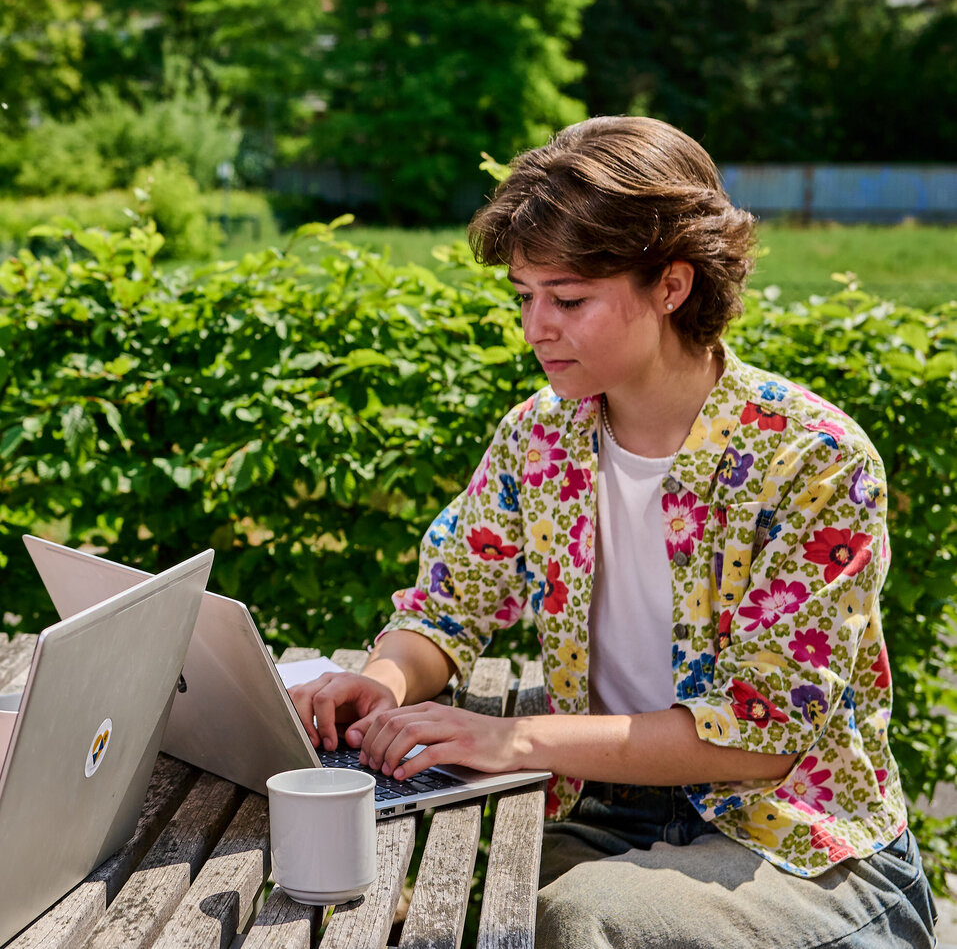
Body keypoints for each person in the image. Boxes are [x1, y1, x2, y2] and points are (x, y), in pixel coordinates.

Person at [288, 116, 937, 947]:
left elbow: (761, 735)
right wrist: (382, 679)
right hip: (599, 812)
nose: (534, 329)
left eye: (567, 299)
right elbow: (447, 606)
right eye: (524, 298)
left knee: (579, 918)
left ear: (671, 286)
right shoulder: (540, 436)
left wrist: (511, 737)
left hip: (804, 844)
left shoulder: (811, 458)